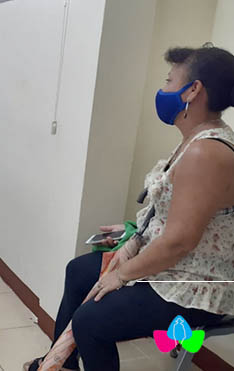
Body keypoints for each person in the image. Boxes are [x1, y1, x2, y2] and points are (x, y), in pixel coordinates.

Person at [26, 46, 234, 371]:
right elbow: (177, 217)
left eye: (169, 81)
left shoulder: (205, 152)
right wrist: (132, 233)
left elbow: (180, 241)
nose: (163, 90)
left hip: (194, 284)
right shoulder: (193, 141)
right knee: (79, 272)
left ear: (192, 90)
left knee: (90, 322)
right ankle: (61, 364)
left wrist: (121, 275)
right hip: (172, 267)